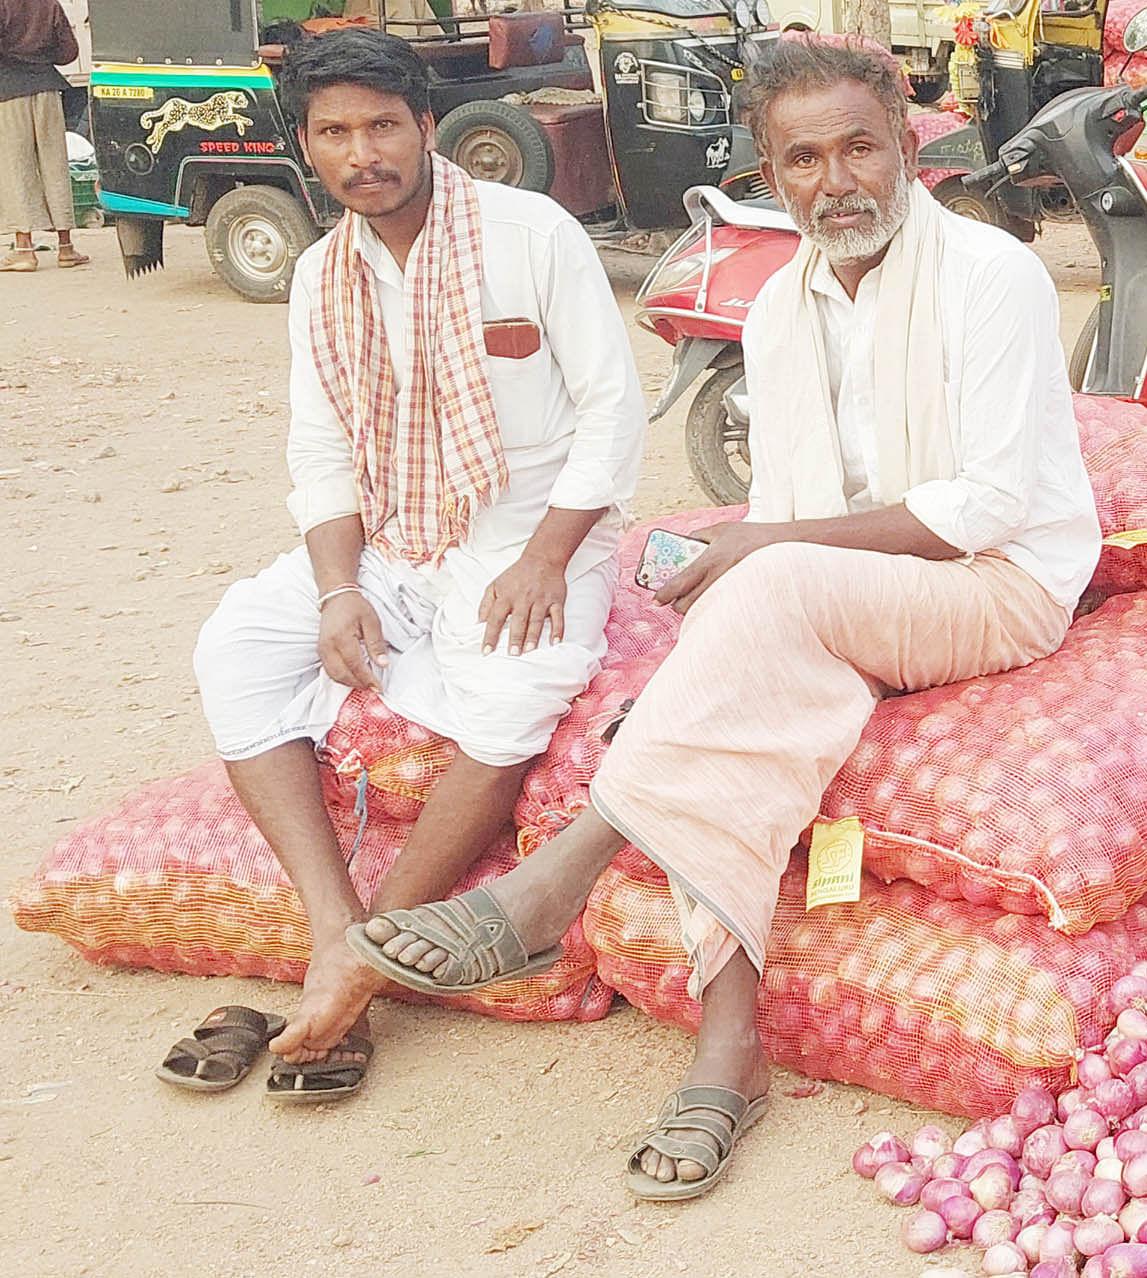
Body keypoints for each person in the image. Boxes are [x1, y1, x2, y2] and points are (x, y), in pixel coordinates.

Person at [347, 32, 1099, 1200]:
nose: (835, 180)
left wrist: (762, 553)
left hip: (995, 588)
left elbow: (985, 508)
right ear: (770, 175)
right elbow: (793, 505)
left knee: (761, 584)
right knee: (736, 694)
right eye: (804, 160)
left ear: (910, 145)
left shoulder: (990, 274)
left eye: (860, 147)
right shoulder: (780, 308)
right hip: (844, 595)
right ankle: (728, 1047)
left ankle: (559, 880)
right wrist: (738, 564)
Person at [181, 28, 643, 1099]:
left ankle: (358, 974)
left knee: (517, 695)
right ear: (306, 146)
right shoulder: (317, 276)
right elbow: (322, 450)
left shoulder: (527, 235)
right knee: (240, 643)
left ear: (428, 129)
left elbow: (613, 414)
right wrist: (341, 589)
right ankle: (339, 932)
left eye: (382, 125)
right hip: (397, 538)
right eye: (334, 132)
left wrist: (544, 560)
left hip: (531, 531)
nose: (362, 153)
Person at [0, 0, 83, 271]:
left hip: (9, 91)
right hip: (48, 89)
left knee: (16, 168)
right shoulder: (48, 3)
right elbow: (69, 52)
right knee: (55, 164)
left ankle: (24, 249)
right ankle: (66, 248)